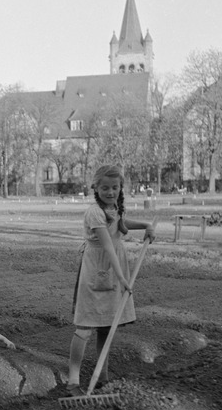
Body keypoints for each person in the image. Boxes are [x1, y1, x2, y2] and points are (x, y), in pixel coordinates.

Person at [66, 165, 155, 396]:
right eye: (105, 188)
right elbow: (107, 245)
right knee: (85, 326)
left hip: (115, 267)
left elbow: (121, 224)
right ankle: (73, 382)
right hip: (98, 269)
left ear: (120, 188)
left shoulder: (114, 207)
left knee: (107, 324)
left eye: (115, 187)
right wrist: (123, 277)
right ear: (96, 188)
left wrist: (146, 226)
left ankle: (102, 377)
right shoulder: (94, 212)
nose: (110, 192)